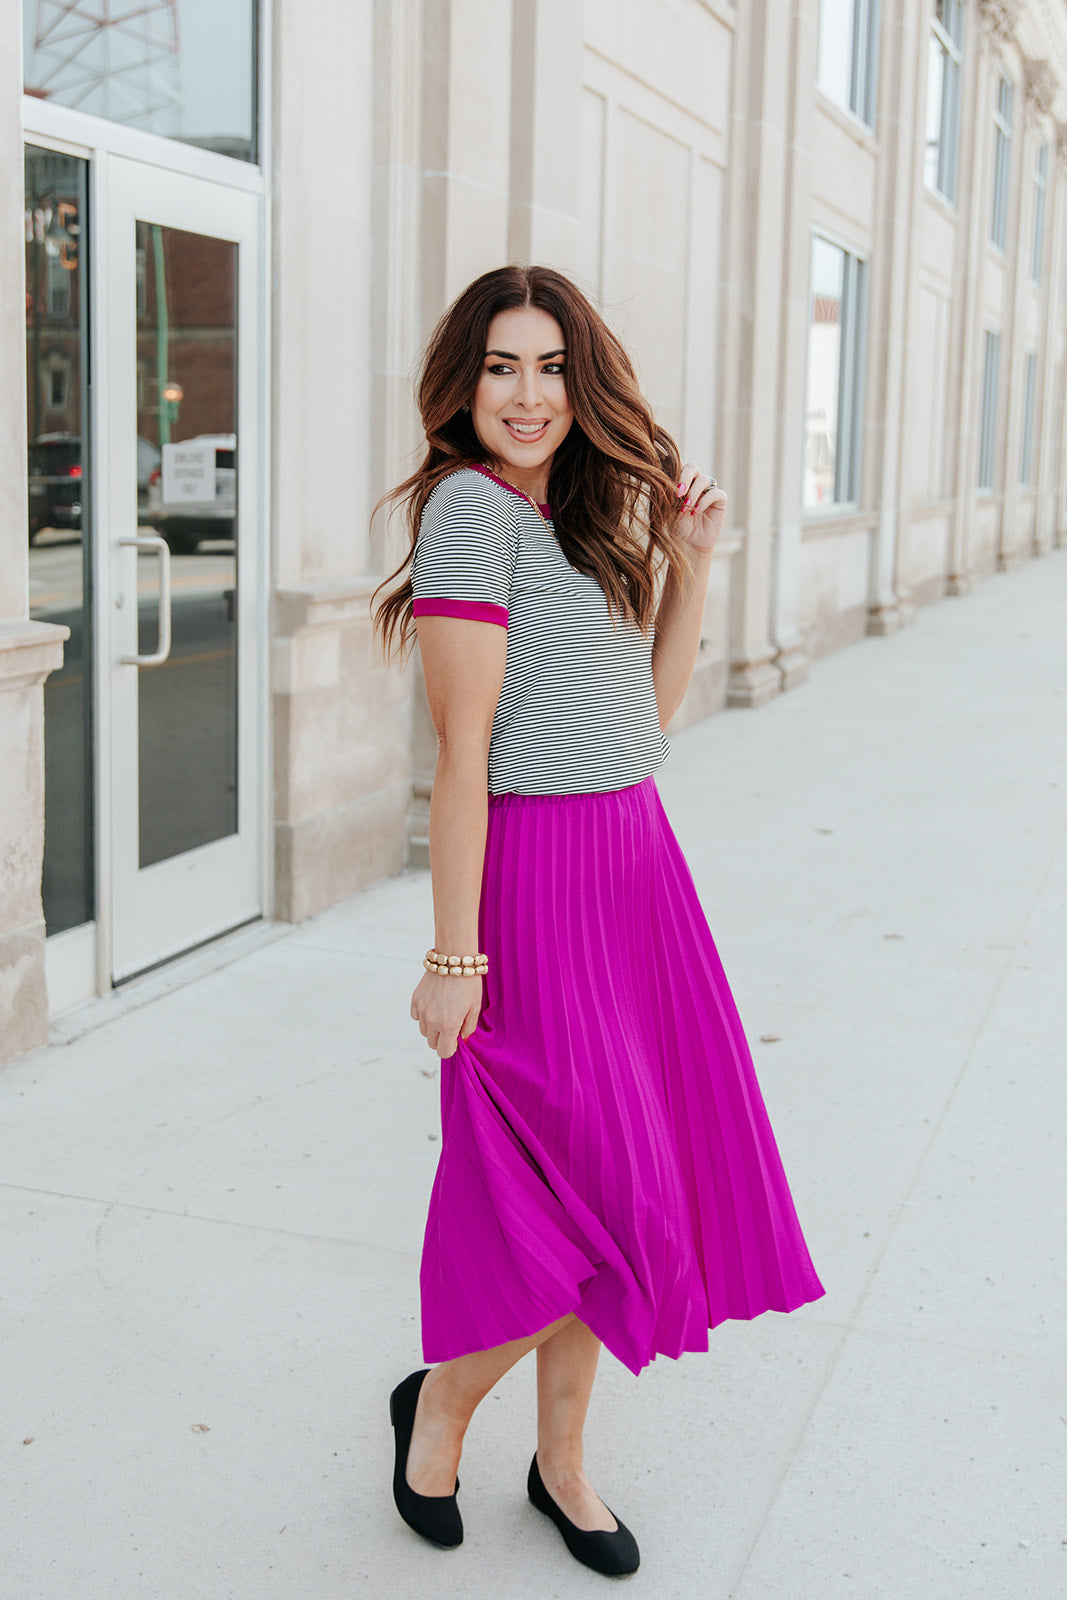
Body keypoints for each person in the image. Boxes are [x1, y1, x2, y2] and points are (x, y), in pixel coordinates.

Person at [371, 264, 824, 1578]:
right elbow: (463, 757)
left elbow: (650, 715)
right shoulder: (470, 512)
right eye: (501, 367)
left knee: (622, 1190)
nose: (528, 394)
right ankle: (441, 1406)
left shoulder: (574, 514)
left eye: (552, 368)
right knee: (593, 1194)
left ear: (585, 384)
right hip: (539, 882)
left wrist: (692, 565)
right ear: (463, 386)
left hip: (636, 870)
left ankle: (561, 1465)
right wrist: (454, 954)